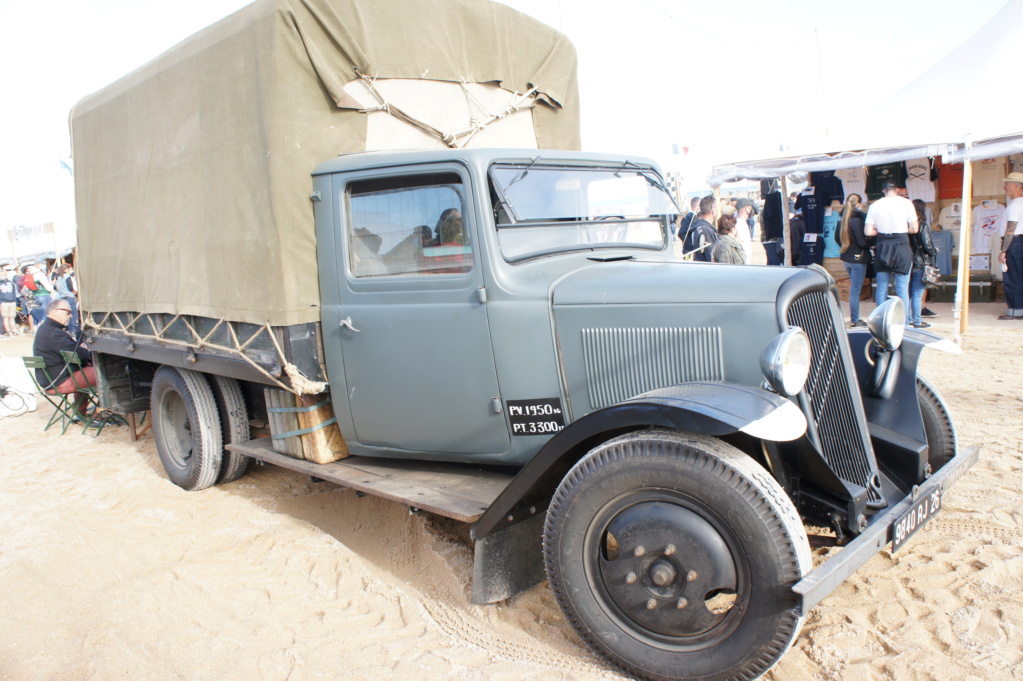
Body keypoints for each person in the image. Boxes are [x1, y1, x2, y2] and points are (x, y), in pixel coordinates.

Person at [32, 298, 98, 417]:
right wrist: (86, 351)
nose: (71, 316)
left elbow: (74, 352)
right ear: (55, 311)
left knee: (87, 371)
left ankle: (79, 412)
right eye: (68, 312)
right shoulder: (53, 332)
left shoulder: (45, 329)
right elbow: (78, 354)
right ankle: (100, 414)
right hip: (59, 381)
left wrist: (82, 352)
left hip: (51, 380)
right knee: (106, 373)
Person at [864, 180, 918, 319]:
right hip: (901, 243)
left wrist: (882, 231)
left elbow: (868, 231)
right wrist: (899, 230)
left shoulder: (874, 205)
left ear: (883, 191)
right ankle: (905, 321)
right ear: (897, 189)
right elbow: (914, 229)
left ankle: (880, 319)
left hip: (882, 244)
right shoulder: (906, 203)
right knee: (901, 287)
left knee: (881, 285)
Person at [837, 194, 872, 327]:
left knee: (854, 289)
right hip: (857, 258)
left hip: (846, 257)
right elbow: (862, 242)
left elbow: (837, 238)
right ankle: (855, 320)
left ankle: (854, 318)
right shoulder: (856, 221)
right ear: (858, 204)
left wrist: (847, 247)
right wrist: (870, 240)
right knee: (855, 291)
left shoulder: (842, 219)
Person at [908, 199, 938, 329]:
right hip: (920, 261)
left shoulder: (906, 225)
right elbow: (927, 244)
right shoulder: (922, 225)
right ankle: (917, 320)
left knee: (907, 292)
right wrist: (934, 251)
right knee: (917, 293)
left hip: (906, 261)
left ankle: (908, 319)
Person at [997, 172, 1023, 320]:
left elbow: (1011, 229)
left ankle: (1015, 310)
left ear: (1015, 186)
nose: (1004, 187)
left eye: (1007, 184)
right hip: (1019, 241)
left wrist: (1003, 250)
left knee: (1012, 277)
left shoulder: (1015, 205)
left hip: (1014, 242)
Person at [683, 195, 718, 261]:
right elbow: (711, 257)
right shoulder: (706, 230)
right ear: (713, 211)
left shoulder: (698, 226)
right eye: (717, 209)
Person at [0, 268, 18, 337]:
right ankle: (8, 331)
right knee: (5, 317)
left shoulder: (11, 282)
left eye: (3, 274)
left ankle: (14, 330)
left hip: (12, 301)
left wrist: (14, 300)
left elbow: (14, 292)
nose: (2, 276)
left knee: (12, 317)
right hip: (3, 302)